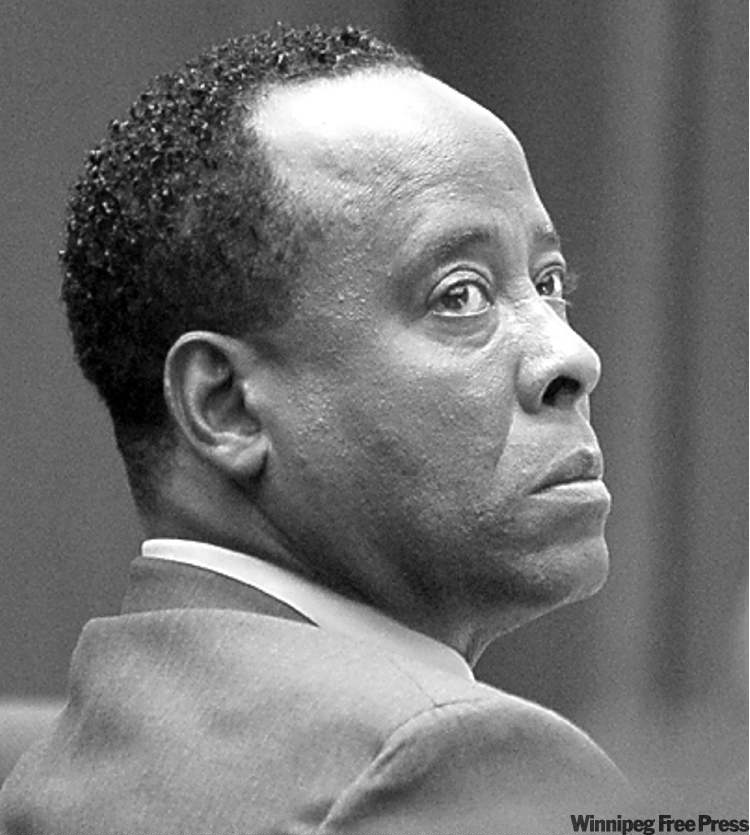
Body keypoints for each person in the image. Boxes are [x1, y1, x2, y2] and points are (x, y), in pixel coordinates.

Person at [0, 23, 630, 833]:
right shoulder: (455, 762)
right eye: (460, 294)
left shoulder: (68, 760)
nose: (572, 356)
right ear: (225, 406)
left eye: (549, 282)